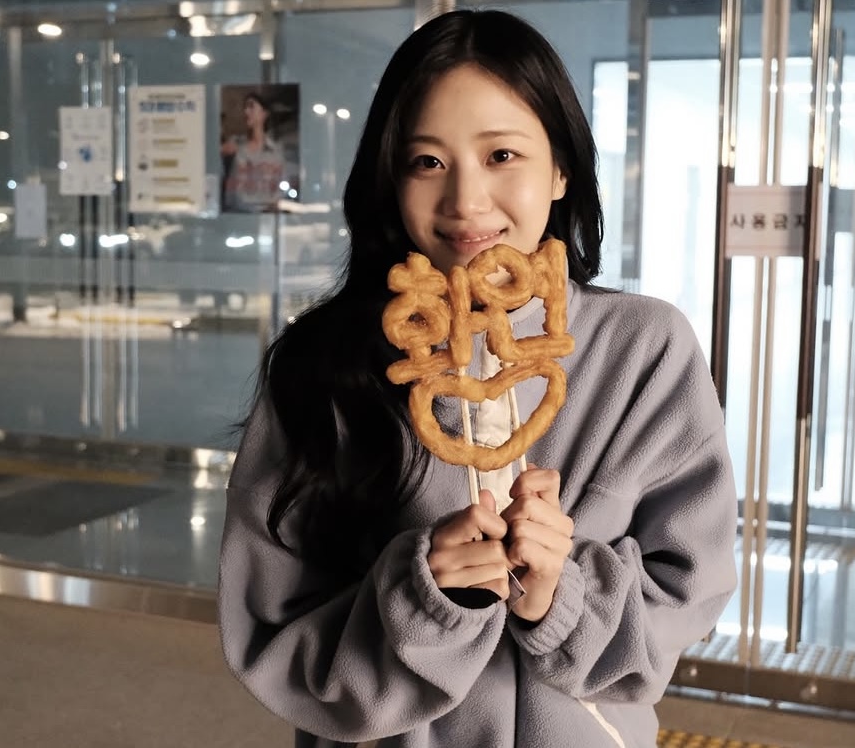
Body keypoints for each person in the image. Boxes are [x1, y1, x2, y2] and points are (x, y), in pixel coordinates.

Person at [218, 9, 737, 748]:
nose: (465, 201)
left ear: (560, 168)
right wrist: (426, 598)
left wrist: (562, 593)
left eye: (501, 155)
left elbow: (689, 586)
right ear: (390, 179)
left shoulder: (645, 350)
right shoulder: (318, 365)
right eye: (426, 162)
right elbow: (271, 634)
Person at [221, 91, 286, 212]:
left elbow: (279, 188)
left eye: (251, 106)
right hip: (236, 213)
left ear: (264, 113)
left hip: (264, 214)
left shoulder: (275, 150)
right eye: (245, 107)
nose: (246, 111)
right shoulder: (236, 144)